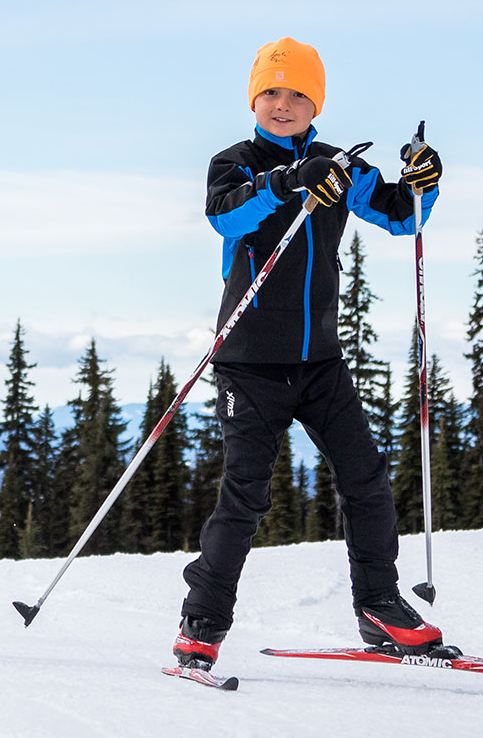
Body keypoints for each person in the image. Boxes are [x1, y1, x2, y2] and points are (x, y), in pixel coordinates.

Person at [173, 37, 446, 670]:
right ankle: (202, 622)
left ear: (315, 102)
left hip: (321, 361)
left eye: (298, 93)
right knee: (245, 496)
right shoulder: (233, 163)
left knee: (366, 479)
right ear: (254, 99)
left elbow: (403, 217)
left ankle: (379, 606)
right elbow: (227, 217)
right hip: (249, 362)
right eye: (271, 91)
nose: (283, 103)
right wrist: (287, 183)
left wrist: (424, 182)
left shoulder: (340, 167)